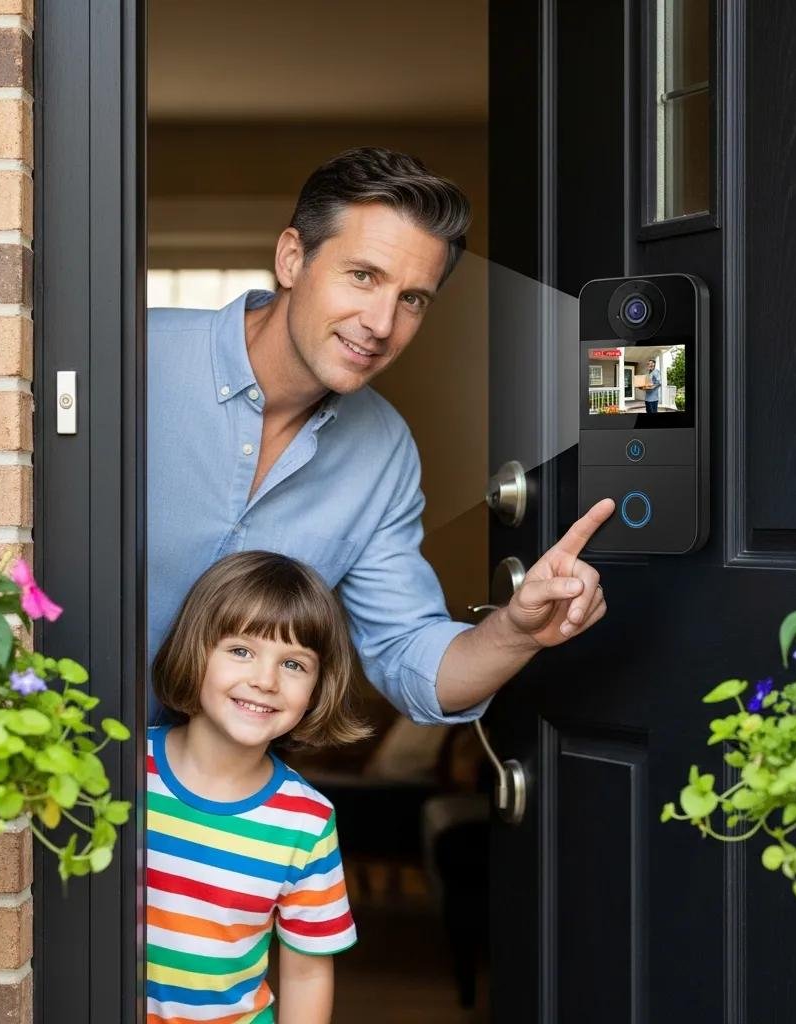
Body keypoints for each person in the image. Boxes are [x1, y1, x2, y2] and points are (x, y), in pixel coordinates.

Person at [148, 146, 614, 728]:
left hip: (207, 802)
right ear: (292, 259)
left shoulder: (384, 452)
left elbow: (404, 652)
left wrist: (518, 632)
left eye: (412, 299)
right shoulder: (131, 362)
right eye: (363, 276)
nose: (382, 325)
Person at [146, 549, 370, 1024]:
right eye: (241, 651)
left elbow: (307, 972)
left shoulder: (307, 821)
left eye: (294, 664)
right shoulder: (127, 769)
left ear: (316, 687)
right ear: (197, 650)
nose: (265, 680)